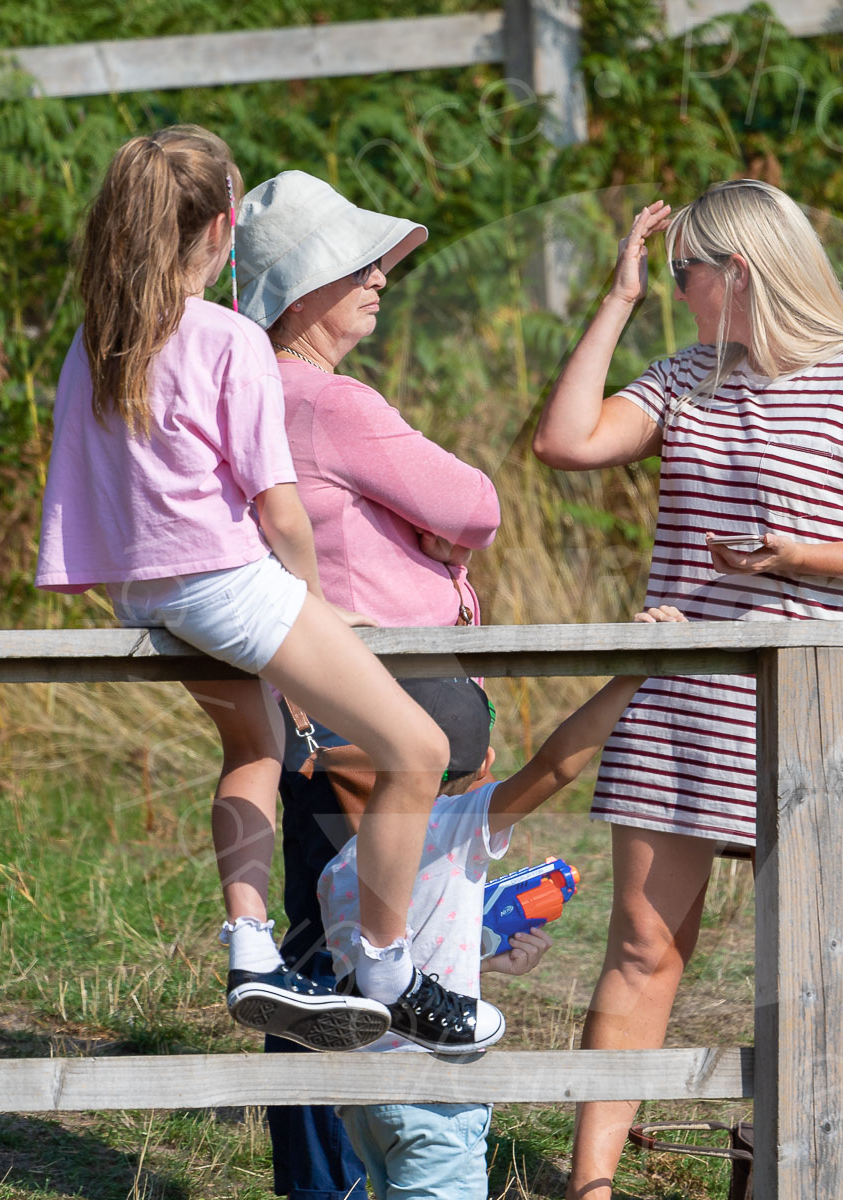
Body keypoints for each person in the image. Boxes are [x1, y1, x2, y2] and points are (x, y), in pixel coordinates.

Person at [531, 180, 843, 1200]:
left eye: (682, 275)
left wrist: (797, 557)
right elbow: (566, 444)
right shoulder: (685, 376)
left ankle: (809, 1169)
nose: (677, 292)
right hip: (681, 697)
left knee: (807, 960)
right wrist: (619, 298)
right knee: (641, 944)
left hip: (812, 704)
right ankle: (589, 1188)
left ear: (739, 273)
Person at [34, 126, 494, 1060]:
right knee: (418, 748)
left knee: (254, 746)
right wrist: (314, 609)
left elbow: (81, 489)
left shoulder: (98, 341)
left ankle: (252, 952)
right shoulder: (228, 337)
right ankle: (389, 970)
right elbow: (279, 513)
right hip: (228, 584)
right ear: (222, 228)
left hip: (142, 592)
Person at [232, 169, 502, 1200]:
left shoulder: (244, 387)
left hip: (295, 695)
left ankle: (319, 1182)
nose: (383, 277)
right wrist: (425, 530)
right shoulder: (331, 400)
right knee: (392, 948)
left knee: (309, 962)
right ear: (307, 287)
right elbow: (472, 501)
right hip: (393, 699)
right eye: (362, 264)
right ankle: (409, 1166)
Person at [320, 608, 687, 1200]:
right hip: (434, 1090)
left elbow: (382, 963)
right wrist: (632, 674)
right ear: (482, 765)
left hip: (361, 1091)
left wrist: (481, 960)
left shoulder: (339, 865)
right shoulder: (459, 824)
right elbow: (556, 766)